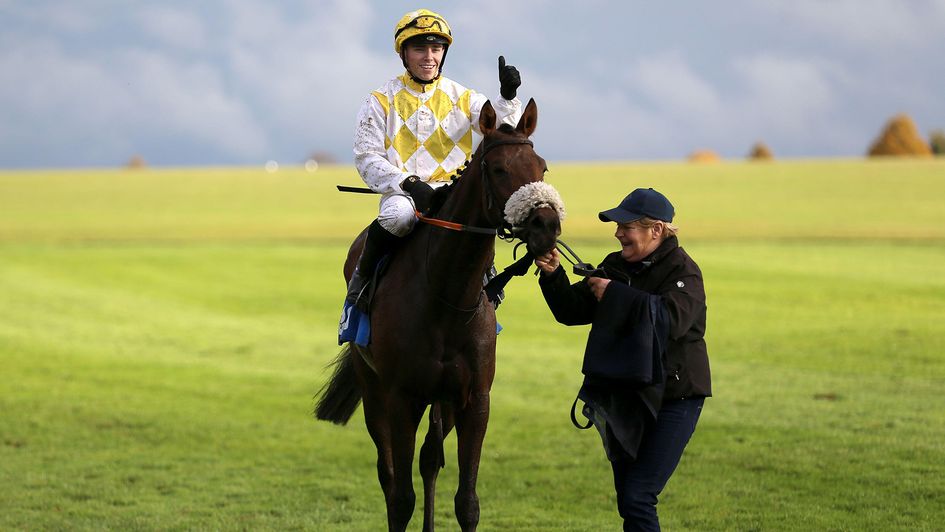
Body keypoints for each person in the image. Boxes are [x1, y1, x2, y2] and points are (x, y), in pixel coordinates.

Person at [533, 188, 711, 531]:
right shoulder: (616, 265)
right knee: (629, 499)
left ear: (655, 230)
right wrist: (554, 275)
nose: (617, 233)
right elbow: (571, 311)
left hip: (676, 397)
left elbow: (670, 321)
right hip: (629, 394)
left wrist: (615, 294)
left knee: (638, 497)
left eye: (625, 226)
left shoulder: (684, 272)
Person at [343, 8, 523, 315]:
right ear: (404, 53)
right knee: (398, 217)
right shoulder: (380, 100)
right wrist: (409, 184)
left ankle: (487, 281)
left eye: (436, 48)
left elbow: (503, 131)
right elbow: (367, 158)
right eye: (419, 48)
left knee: (483, 217)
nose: (429, 57)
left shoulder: (463, 98)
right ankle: (360, 285)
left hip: (453, 193)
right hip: (404, 195)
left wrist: (507, 97)